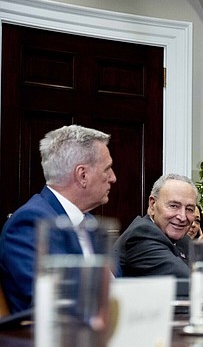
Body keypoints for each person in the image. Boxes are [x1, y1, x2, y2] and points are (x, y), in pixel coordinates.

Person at [0, 125, 116, 315]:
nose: (113, 178)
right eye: (108, 168)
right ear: (82, 175)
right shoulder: (30, 223)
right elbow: (51, 303)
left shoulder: (88, 222)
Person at [114, 173, 198, 297]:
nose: (182, 217)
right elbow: (190, 283)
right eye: (174, 206)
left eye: (189, 209)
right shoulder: (141, 235)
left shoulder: (183, 239)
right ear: (152, 205)